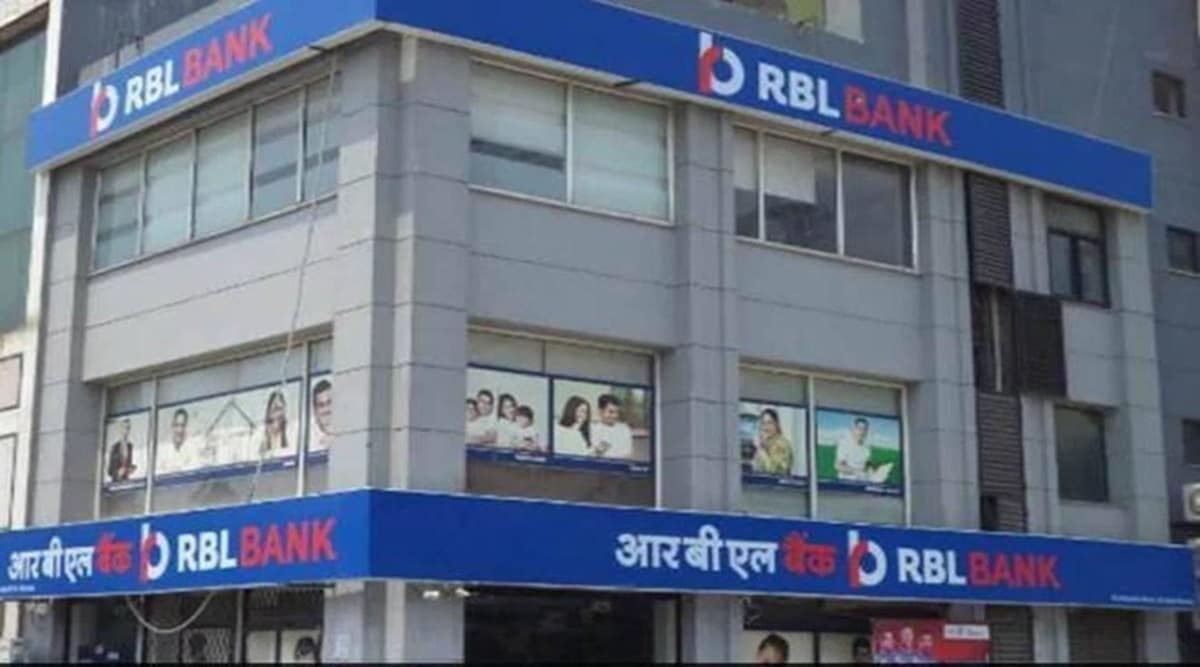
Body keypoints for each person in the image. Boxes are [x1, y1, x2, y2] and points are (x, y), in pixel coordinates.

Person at [752, 408, 793, 476]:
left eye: (769, 423)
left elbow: (773, 471)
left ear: (776, 424)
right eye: (763, 423)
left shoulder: (782, 444)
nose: (766, 427)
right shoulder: (766, 442)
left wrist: (760, 448)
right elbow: (756, 468)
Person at [591, 394, 633, 459]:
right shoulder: (593, 429)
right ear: (600, 411)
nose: (615, 416)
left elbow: (627, 454)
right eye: (611, 412)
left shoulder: (624, 429)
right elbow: (593, 456)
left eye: (617, 412)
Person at [835, 417, 875, 481]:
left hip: (863, 481)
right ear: (853, 429)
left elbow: (868, 463)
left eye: (865, 429)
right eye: (859, 428)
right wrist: (856, 472)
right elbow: (838, 466)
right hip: (847, 482)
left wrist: (871, 472)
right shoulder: (845, 444)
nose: (862, 432)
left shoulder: (867, 447)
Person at [156, 408, 191, 476]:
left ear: (186, 427)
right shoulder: (163, 451)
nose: (179, 430)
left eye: (183, 426)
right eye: (176, 425)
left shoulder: (190, 450)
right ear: (172, 427)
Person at [106, 417, 137, 483]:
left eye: (128, 428)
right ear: (120, 430)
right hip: (116, 482)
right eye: (124, 428)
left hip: (126, 480)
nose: (126, 431)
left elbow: (127, 464)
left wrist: (130, 469)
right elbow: (110, 471)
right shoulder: (115, 447)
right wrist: (118, 472)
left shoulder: (130, 446)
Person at [311, 379, 333, 451]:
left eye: (330, 402)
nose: (326, 410)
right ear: (315, 412)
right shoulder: (312, 447)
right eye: (321, 405)